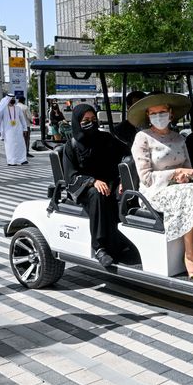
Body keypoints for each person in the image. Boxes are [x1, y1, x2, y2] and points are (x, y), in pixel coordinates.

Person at [129, 93, 193, 280]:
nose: (159, 116)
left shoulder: (179, 138)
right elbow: (146, 178)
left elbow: (189, 168)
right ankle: (191, 253)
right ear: (148, 116)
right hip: (154, 191)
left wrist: (184, 176)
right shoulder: (143, 138)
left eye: (162, 111)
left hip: (181, 187)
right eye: (154, 113)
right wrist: (173, 173)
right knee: (188, 195)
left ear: (170, 114)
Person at [63, 104, 130, 266]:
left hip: (110, 182)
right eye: (86, 120)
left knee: (126, 195)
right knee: (97, 194)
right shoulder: (71, 146)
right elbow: (71, 176)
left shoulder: (106, 139)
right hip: (85, 189)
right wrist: (92, 181)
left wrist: (123, 179)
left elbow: (125, 154)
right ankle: (100, 247)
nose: (91, 123)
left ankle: (122, 242)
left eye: (93, 119)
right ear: (77, 122)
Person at [0, 95, 29, 166]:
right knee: (10, 146)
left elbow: (22, 119)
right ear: (7, 99)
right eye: (11, 98)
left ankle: (22, 160)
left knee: (21, 144)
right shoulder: (3, 109)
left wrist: (25, 128)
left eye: (13, 98)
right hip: (8, 130)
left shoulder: (18, 108)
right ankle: (11, 161)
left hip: (18, 129)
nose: (13, 100)